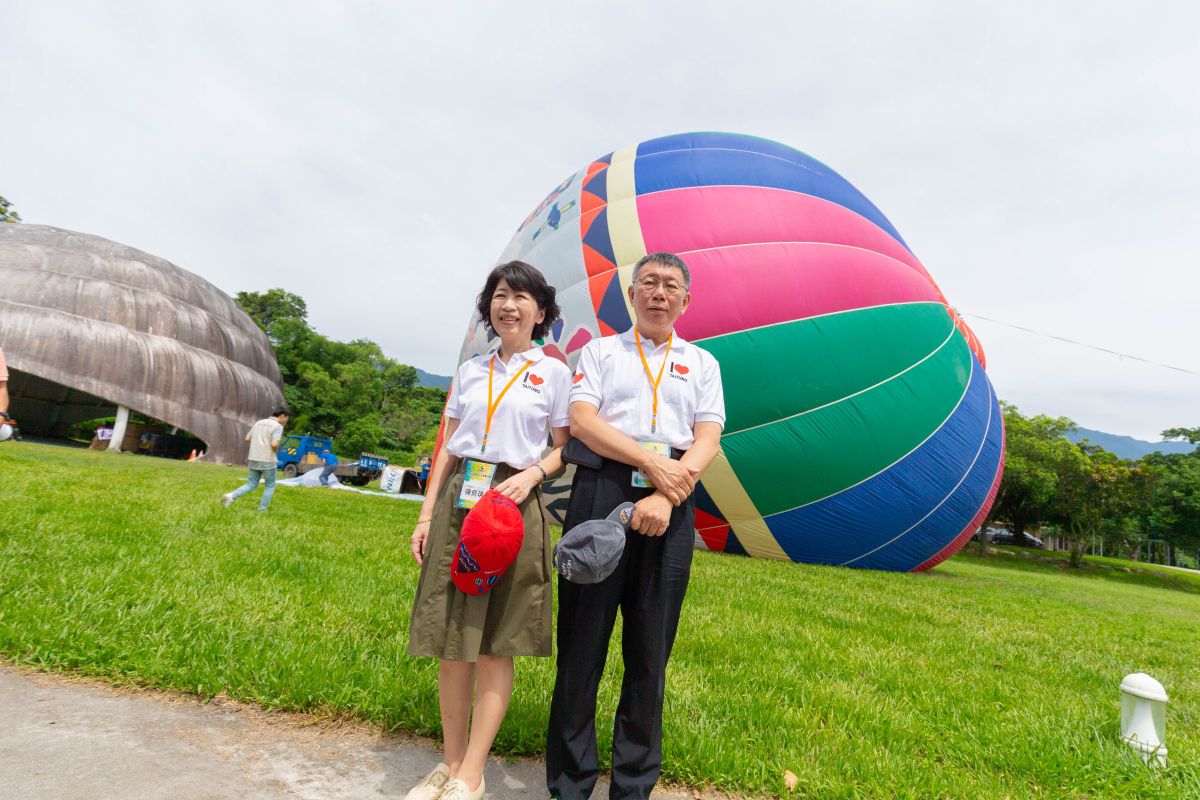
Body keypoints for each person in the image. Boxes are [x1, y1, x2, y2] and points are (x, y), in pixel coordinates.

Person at [546, 252, 725, 800]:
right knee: (582, 647)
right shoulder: (599, 352)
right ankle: (570, 785)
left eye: (671, 285)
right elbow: (583, 421)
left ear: (685, 300)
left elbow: (707, 438)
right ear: (631, 293)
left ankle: (633, 787)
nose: (658, 293)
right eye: (649, 282)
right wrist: (651, 468)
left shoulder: (703, 363)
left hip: (672, 501)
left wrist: (667, 496)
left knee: (650, 654)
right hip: (602, 491)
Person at [404, 261, 572, 800]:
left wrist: (532, 473)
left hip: (513, 506)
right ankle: (451, 767)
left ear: (541, 311)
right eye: (501, 295)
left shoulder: (554, 373)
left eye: (522, 296)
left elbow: (566, 448)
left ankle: (472, 773)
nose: (509, 305)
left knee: (497, 643)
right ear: (489, 307)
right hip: (460, 505)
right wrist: (427, 514)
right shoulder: (472, 371)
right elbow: (449, 449)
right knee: (452, 639)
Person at [220, 408, 289, 511]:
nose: (286, 421)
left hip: (253, 457)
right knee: (270, 485)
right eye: (287, 419)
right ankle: (262, 509)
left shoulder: (258, 423)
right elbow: (274, 444)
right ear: (282, 416)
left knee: (251, 483)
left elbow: (247, 438)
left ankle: (230, 496)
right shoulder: (277, 426)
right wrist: (275, 451)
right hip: (267, 459)